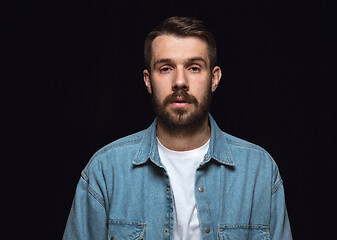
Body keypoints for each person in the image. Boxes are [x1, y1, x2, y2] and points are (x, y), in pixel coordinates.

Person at [63, 16, 292, 240]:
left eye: (193, 67)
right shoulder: (105, 171)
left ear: (214, 78)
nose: (180, 81)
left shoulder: (259, 171)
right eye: (165, 68)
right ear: (147, 80)